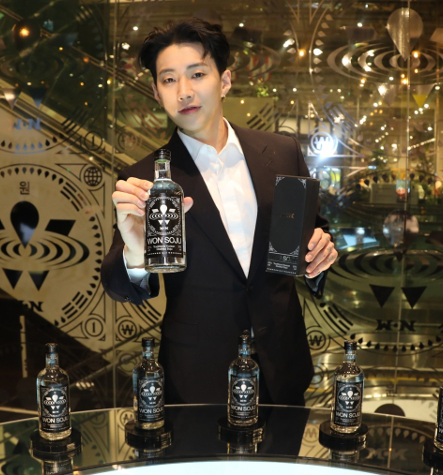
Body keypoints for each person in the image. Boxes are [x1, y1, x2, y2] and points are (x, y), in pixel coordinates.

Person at [101, 18, 337, 405]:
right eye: (169, 80)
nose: (185, 92)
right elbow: (117, 285)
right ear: (157, 92)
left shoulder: (281, 152)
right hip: (197, 376)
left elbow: (313, 232)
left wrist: (321, 253)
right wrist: (135, 253)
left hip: (283, 366)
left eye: (197, 74)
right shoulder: (144, 179)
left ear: (224, 81)